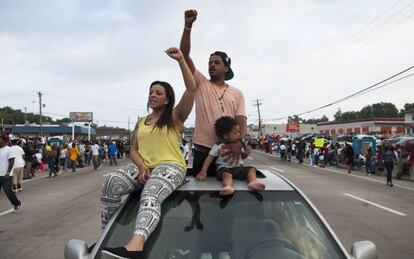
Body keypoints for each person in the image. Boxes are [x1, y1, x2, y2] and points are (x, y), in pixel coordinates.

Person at [101, 47, 196, 259]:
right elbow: (134, 150)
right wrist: (142, 166)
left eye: (158, 93)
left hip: (171, 167)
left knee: (151, 193)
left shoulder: (175, 116)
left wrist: (181, 60)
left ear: (167, 99)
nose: (153, 95)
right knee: (111, 183)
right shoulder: (141, 122)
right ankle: (106, 239)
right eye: (151, 92)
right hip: (145, 167)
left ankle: (136, 246)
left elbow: (191, 89)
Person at [180, 9, 247, 178]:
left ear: (226, 67)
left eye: (216, 62)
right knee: (200, 197)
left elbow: (241, 120)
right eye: (210, 62)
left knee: (228, 194)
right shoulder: (201, 83)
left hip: (227, 152)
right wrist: (188, 27)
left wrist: (239, 143)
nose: (211, 65)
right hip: (203, 151)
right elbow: (184, 54)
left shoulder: (237, 93)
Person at [196, 116, 265, 196]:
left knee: (252, 169)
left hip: (239, 168)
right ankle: (227, 186)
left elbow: (242, 156)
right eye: (235, 133)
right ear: (226, 136)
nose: (239, 135)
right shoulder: (219, 145)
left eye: (239, 132)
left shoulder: (238, 145)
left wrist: (246, 153)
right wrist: (204, 171)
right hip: (224, 168)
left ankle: (253, 182)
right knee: (226, 174)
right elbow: (210, 157)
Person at [0, 134, 22, 213]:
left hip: (6, 175)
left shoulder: (9, 149)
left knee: (8, 191)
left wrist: (8, 172)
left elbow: (11, 161)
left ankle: (17, 203)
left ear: (4, 140)